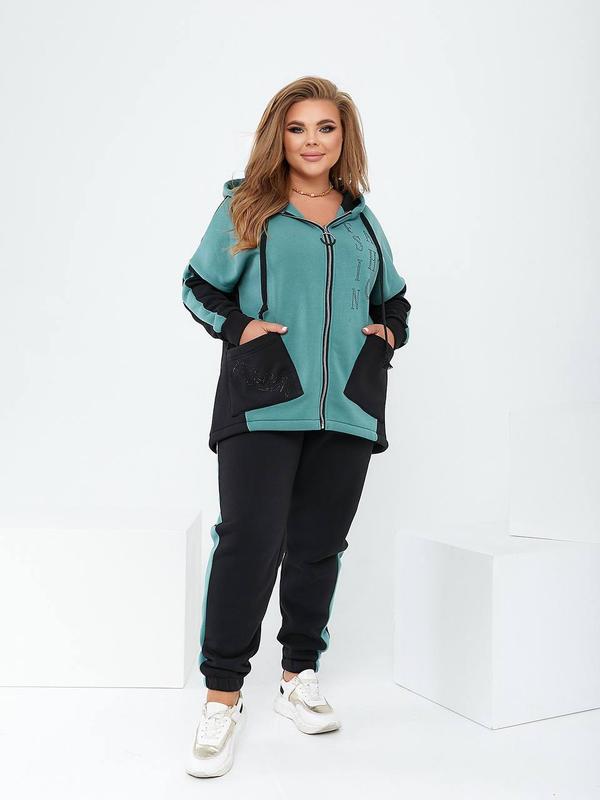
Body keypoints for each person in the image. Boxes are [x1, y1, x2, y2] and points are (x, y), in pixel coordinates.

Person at [181, 75, 411, 778]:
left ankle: (298, 676)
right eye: (298, 128)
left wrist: (387, 337)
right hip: (264, 398)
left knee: (317, 545)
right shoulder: (248, 206)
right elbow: (197, 285)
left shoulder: (361, 219)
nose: (313, 141)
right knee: (251, 540)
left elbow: (396, 299)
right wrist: (242, 328)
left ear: (344, 138)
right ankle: (222, 697)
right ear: (278, 136)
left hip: (347, 403)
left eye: (326, 128)